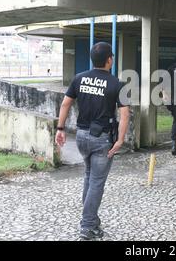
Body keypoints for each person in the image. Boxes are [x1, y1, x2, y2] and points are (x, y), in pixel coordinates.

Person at [55, 42, 130, 240]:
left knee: (89, 177)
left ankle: (93, 222)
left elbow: (65, 103)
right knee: (96, 182)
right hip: (102, 139)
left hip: (81, 136)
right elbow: (125, 115)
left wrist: (60, 128)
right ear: (109, 60)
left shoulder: (79, 78)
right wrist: (120, 140)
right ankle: (87, 226)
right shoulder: (117, 84)